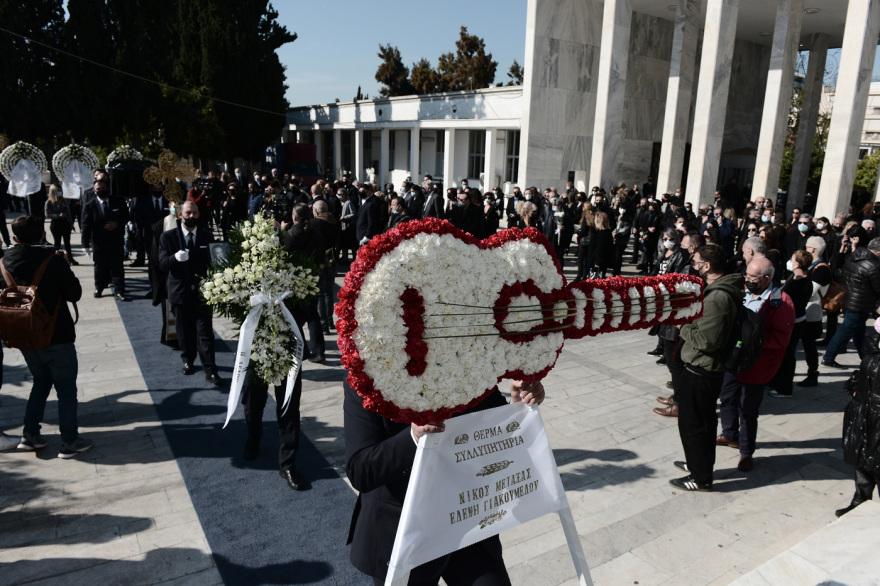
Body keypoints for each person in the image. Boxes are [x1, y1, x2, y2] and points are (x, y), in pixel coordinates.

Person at [344, 378, 544, 583]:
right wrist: (413, 436)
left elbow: (494, 433)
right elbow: (360, 470)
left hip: (467, 520)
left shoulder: (469, 359)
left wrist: (517, 406)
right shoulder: (366, 374)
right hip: (404, 533)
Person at [3, 215, 92, 458]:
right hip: (57, 335)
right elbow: (74, 293)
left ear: (14, 238)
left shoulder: (4, 261)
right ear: (43, 235)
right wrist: (63, 263)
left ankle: (30, 434)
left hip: (24, 335)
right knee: (65, 389)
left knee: (40, 382)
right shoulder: (52, 260)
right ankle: (70, 441)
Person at [671, 245, 743, 491]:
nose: (693, 265)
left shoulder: (718, 297)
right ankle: (696, 463)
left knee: (695, 425)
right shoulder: (717, 291)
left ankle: (700, 478)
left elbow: (707, 341)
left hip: (703, 370)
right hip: (700, 369)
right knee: (698, 423)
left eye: (696, 261)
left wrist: (684, 326)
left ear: (707, 266)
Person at [718, 258, 794, 471]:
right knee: (727, 398)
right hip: (733, 361)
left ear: (767, 279)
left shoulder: (781, 301)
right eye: (747, 275)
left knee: (748, 410)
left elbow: (781, 339)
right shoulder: (742, 291)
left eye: (753, 277)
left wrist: (752, 343)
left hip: (756, 364)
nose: (747, 280)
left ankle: (746, 452)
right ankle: (729, 434)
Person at [157, 201, 224, 385]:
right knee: (184, 332)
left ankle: (210, 369)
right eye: (188, 213)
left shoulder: (207, 236)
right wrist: (174, 258)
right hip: (179, 293)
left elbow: (215, 263)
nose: (191, 216)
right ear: (180, 215)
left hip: (202, 294)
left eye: (194, 213)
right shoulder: (169, 237)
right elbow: (162, 263)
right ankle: (188, 360)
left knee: (205, 333)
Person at [836, 324, 880, 517]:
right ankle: (859, 500)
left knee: (877, 463)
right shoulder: (872, 342)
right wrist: (855, 387)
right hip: (863, 413)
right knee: (862, 460)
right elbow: (865, 372)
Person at [823, 237, 880, 368]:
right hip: (860, 304)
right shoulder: (874, 266)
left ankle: (864, 357)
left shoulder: (855, 257)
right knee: (845, 331)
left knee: (859, 332)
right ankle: (828, 358)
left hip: (849, 300)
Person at [283, 204, 326, 363]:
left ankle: (303, 350)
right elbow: (321, 257)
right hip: (312, 279)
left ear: (294, 217)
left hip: (293, 283)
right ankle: (319, 351)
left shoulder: (288, 236)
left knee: (294, 318)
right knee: (313, 315)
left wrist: (281, 231)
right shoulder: (317, 235)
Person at [769, 251, 814, 398]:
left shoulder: (801, 282)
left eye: (792, 259)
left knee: (788, 355)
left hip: (794, 322)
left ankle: (785, 388)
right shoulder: (795, 277)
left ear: (797, 264)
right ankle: (776, 381)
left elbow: (791, 302)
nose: (789, 261)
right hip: (791, 321)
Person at [81, 177, 129, 301]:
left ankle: (119, 290)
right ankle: (99, 287)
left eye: (103, 188)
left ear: (107, 188)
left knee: (117, 266)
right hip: (99, 242)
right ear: (94, 191)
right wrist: (85, 244)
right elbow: (85, 225)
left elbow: (126, 217)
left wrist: (117, 224)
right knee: (100, 266)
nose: (101, 190)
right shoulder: (89, 206)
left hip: (116, 240)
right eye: (98, 189)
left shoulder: (118, 201)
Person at [796, 237, 831, 387]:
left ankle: (813, 374)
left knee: (809, 345)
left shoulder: (822, 268)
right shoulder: (811, 266)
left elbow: (809, 290)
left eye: (806, 246)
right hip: (805, 310)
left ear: (812, 250)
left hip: (812, 313)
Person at [312, 200, 339, 335]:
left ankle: (323, 325)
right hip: (332, 259)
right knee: (329, 292)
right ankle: (329, 321)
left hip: (320, 261)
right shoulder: (334, 221)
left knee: (321, 294)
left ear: (316, 211)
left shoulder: (315, 224)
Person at [44, 184, 76, 264]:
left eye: (61, 190)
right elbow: (47, 214)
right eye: (58, 191)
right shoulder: (49, 202)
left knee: (67, 242)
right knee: (57, 243)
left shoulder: (64, 201)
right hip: (56, 224)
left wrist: (71, 224)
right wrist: (58, 215)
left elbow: (68, 213)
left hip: (65, 223)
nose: (60, 192)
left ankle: (70, 258)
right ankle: (57, 260)